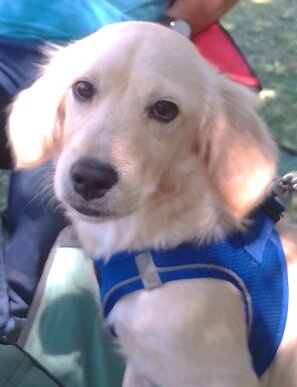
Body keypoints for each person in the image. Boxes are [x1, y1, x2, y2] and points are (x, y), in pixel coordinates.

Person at [0, 0, 239, 335]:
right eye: (85, 91)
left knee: (39, 187)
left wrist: (174, 26)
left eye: (162, 110)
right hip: (7, 35)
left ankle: (22, 316)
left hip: (106, 41)